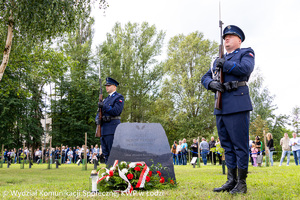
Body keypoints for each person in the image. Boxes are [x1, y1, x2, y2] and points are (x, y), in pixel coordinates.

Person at [201, 25, 255, 194]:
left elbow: (246, 69)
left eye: (230, 37)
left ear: (239, 40)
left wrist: (226, 64)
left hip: (238, 103)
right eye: (225, 37)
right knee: (227, 145)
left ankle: (241, 183)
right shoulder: (217, 59)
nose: (226, 39)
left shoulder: (246, 53)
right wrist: (210, 83)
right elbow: (205, 76)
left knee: (239, 145)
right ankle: (231, 181)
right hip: (221, 105)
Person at [95, 77, 124, 164]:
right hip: (103, 129)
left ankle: (114, 173)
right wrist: (97, 119)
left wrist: (104, 106)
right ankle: (108, 172)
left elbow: (116, 111)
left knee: (113, 154)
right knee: (106, 153)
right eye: (106, 86)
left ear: (114, 86)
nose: (106, 87)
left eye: (109, 85)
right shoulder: (106, 99)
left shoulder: (119, 97)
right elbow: (99, 112)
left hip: (112, 128)